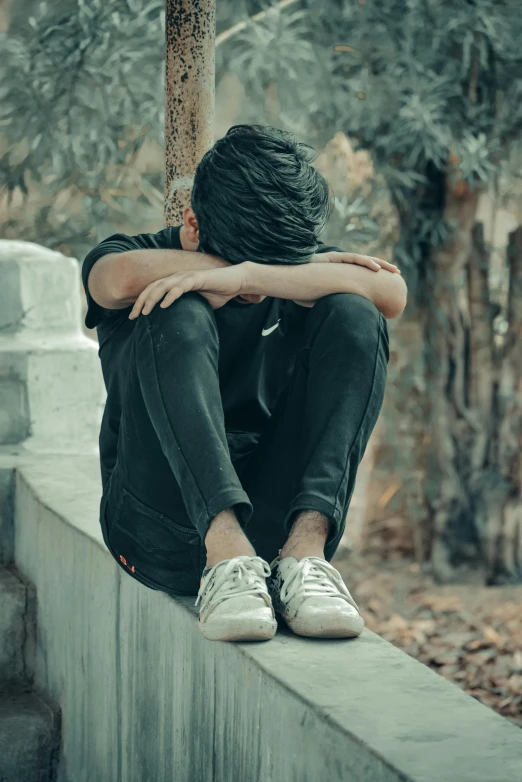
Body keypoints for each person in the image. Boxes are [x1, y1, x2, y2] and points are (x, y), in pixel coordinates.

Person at [82, 124, 406, 643]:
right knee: (177, 305)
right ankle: (224, 551)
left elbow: (389, 292)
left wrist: (248, 275)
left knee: (355, 314)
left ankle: (306, 553)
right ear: (192, 223)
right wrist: (224, 273)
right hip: (157, 527)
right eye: (248, 267)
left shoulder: (273, 255)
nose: (254, 295)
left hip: (272, 534)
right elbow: (113, 280)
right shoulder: (134, 256)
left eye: (279, 266)